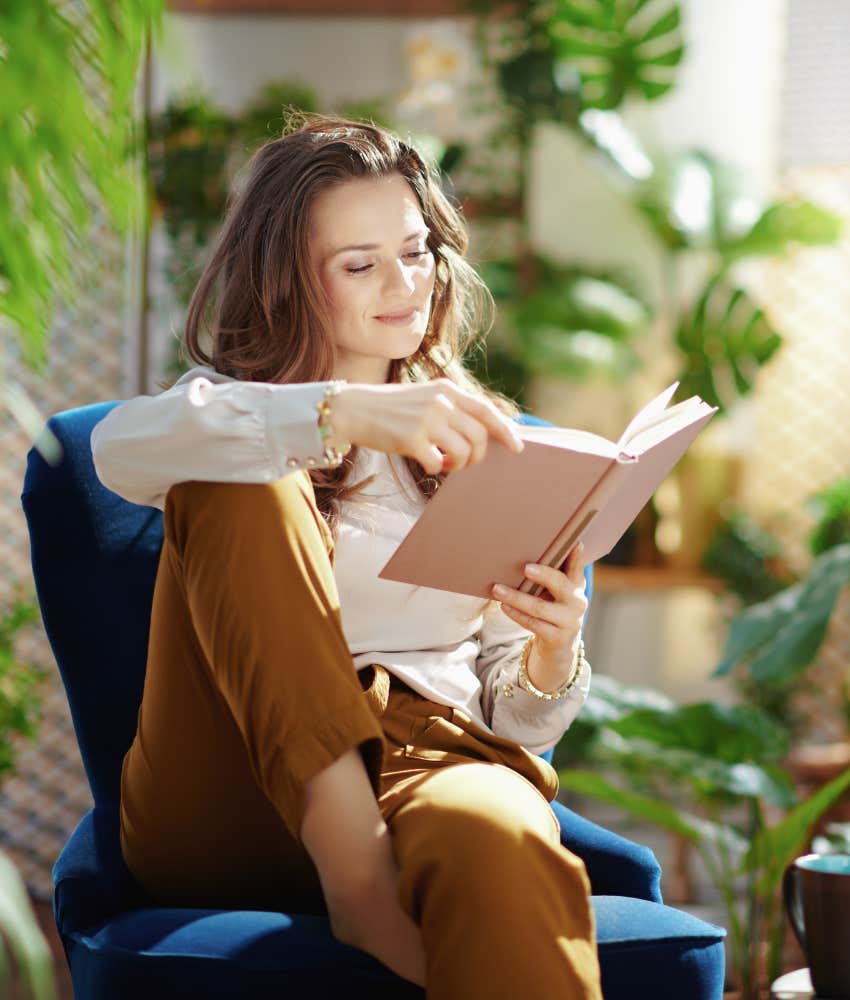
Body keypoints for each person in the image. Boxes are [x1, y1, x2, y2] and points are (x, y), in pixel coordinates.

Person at [91, 111, 602, 999]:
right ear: (289, 284)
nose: (405, 284)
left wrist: (552, 654)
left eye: (416, 251)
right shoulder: (231, 414)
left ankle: (383, 863)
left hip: (426, 759)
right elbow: (111, 450)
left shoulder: (483, 441)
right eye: (361, 265)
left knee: (499, 832)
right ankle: (358, 883)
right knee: (242, 474)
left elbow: (511, 718)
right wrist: (339, 416)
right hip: (230, 786)